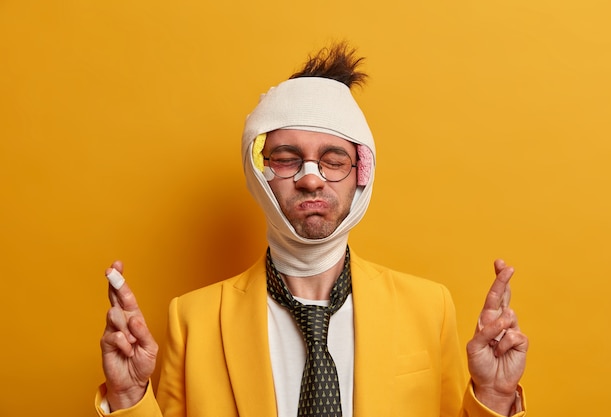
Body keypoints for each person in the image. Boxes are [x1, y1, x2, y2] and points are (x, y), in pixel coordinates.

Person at [96, 42, 528, 417]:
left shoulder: (429, 308)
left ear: (360, 171)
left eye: (333, 159)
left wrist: (493, 395)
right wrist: (129, 395)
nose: (311, 178)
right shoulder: (192, 320)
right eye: (286, 157)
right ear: (259, 172)